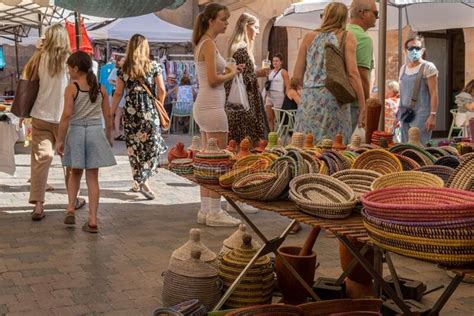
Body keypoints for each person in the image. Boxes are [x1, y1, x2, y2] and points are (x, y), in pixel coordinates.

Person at [26, 24, 86, 221]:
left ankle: (38, 205)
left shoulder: (39, 58)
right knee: (69, 161)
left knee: (40, 160)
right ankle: (72, 200)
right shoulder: (70, 62)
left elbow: (26, 79)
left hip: (40, 115)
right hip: (64, 118)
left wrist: (38, 48)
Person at [193, 3, 242, 226]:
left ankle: (205, 209)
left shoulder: (203, 42)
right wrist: (230, 73)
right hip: (212, 108)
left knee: (207, 162)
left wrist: (229, 71)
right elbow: (213, 80)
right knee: (219, 161)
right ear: (211, 20)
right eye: (223, 19)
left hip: (205, 106)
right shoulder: (209, 44)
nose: (226, 23)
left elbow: (210, 76)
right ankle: (215, 211)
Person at [56, 51, 116, 233]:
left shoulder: (72, 88)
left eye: (69, 68)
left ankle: (71, 209)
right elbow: (108, 115)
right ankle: (92, 220)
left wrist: (60, 139)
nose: (68, 72)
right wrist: (108, 135)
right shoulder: (100, 89)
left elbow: (66, 115)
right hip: (95, 131)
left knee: (75, 173)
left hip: (76, 131)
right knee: (93, 178)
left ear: (75, 68)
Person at [292, 2, 366, 144]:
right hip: (334, 100)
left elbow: (296, 77)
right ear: (345, 18)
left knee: (307, 148)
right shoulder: (346, 36)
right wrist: (363, 105)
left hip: (309, 100)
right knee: (333, 149)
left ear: (325, 16)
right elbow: (352, 74)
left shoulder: (308, 37)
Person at [110, 34, 168, 200]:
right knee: (152, 145)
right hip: (149, 110)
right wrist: (159, 107)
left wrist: (111, 112)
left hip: (131, 111)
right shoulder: (154, 66)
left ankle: (139, 179)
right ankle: (144, 180)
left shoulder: (123, 69)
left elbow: (118, 93)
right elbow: (162, 90)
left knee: (134, 147)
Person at [225, 12, 269, 145]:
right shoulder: (242, 50)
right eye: (256, 27)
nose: (258, 31)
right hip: (246, 105)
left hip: (239, 104)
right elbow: (241, 79)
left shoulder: (236, 48)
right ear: (246, 26)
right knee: (248, 145)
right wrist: (258, 73)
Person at [397, 35, 438, 144]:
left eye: (417, 48)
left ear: (422, 50)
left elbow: (434, 93)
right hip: (405, 113)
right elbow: (402, 93)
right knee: (405, 146)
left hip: (421, 113)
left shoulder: (428, 67)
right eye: (411, 48)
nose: (414, 51)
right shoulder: (403, 68)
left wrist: (432, 115)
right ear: (405, 51)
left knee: (419, 145)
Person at [347, 0, 377, 131]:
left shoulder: (339, 32)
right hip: (353, 102)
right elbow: (362, 77)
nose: (377, 17)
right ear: (363, 13)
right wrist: (365, 106)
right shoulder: (363, 39)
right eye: (375, 13)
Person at [265, 53, 290, 132]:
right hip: (269, 95)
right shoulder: (270, 72)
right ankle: (271, 135)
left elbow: (288, 85)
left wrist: (286, 98)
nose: (274, 63)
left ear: (281, 62)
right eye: (273, 61)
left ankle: (279, 136)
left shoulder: (283, 72)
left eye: (276, 61)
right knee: (269, 117)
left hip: (278, 95)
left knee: (279, 118)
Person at [108, 55, 126, 140]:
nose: (124, 62)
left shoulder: (124, 71)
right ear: (118, 62)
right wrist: (119, 85)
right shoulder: (116, 70)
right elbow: (110, 80)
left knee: (122, 114)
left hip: (124, 94)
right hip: (118, 93)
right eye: (122, 60)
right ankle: (117, 133)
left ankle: (121, 132)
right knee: (118, 113)